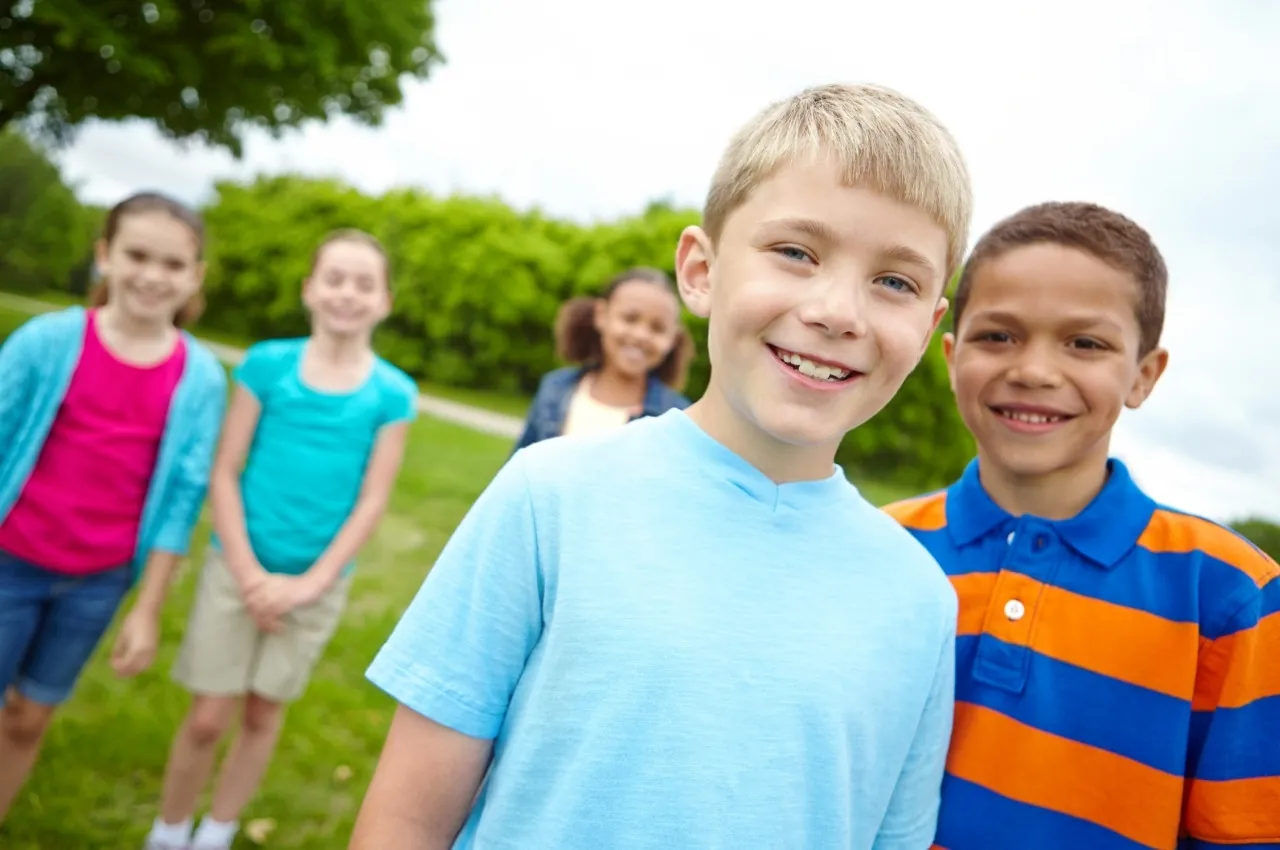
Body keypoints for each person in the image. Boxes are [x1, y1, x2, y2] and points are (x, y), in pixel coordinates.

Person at [351, 81, 973, 850]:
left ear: (932, 324)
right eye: (795, 252)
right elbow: (407, 820)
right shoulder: (550, 496)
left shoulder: (917, 600)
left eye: (895, 282)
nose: (838, 311)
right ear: (701, 270)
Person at [884, 201, 1280, 850]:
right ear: (952, 356)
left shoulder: (1234, 596)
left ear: (1143, 376)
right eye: (998, 336)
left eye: (1085, 343)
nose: (1034, 370)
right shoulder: (880, 549)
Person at [143, 230, 419, 850]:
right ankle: (168, 829)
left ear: (384, 302)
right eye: (336, 278)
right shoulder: (267, 365)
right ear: (310, 290)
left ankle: (217, 830)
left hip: (315, 585)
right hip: (236, 568)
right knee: (209, 715)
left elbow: (372, 500)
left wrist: (308, 585)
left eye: (364, 283)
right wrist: (246, 572)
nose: (348, 294)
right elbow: (225, 471)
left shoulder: (393, 394)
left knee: (264, 712)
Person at [0, 192, 226, 822]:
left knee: (29, 718)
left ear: (195, 275)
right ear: (105, 256)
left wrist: (148, 610)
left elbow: (182, 500)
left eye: (173, 264)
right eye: (137, 255)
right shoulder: (47, 342)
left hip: (96, 584)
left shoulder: (200, 378)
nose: (154, 277)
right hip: (8, 562)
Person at [512, 266, 694, 451]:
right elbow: (517, 468)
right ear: (601, 315)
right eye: (630, 318)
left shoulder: (678, 420)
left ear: (673, 338)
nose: (641, 335)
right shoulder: (555, 388)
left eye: (657, 328)